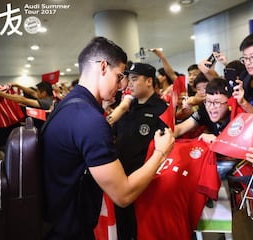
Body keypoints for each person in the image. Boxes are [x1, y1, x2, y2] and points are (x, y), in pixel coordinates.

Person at [41, 37, 174, 240]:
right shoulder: (89, 120)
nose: (122, 86)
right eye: (119, 76)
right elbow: (123, 194)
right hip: (70, 232)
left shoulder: (67, 106)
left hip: (57, 221)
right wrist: (161, 152)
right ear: (103, 66)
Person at [111, 62, 170, 240]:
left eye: (135, 79)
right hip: (120, 178)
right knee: (122, 228)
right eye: (128, 79)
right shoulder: (126, 107)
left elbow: (166, 147)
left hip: (145, 182)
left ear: (149, 81)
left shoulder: (162, 110)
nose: (129, 83)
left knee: (143, 230)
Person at [174, 77, 237, 179]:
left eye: (217, 102)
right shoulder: (204, 111)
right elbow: (180, 129)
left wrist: (216, 141)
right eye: (208, 101)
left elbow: (240, 151)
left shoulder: (237, 114)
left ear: (229, 102)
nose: (211, 107)